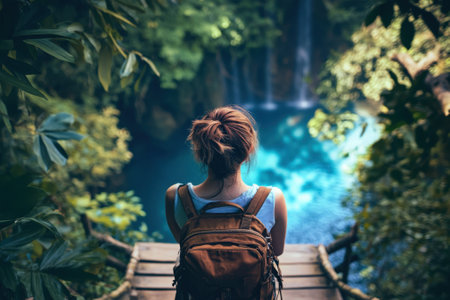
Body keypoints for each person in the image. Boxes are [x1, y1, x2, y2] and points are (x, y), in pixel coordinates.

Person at [165, 105, 287, 256]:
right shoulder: (273, 199)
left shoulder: (176, 197)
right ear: (248, 149)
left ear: (199, 151)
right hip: (250, 280)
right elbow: (277, 251)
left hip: (199, 280)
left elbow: (184, 244)